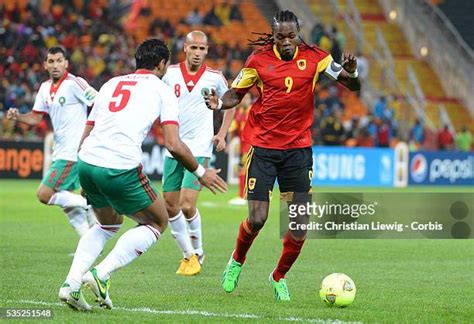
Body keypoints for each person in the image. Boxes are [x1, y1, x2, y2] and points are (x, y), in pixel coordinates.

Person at [58, 39, 227, 311]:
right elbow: (173, 143)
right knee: (157, 222)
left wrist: (84, 173)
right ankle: (101, 275)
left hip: (87, 160)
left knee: (107, 224)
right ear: (161, 64)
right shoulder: (163, 90)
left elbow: (88, 128)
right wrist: (200, 171)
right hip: (120, 166)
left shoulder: (111, 83)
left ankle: (71, 284)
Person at [203, 10, 360, 301]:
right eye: (280, 37)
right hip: (263, 148)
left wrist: (353, 72)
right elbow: (235, 94)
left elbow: (352, 85)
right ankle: (236, 261)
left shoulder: (317, 58)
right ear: (273, 36)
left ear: (298, 33)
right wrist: (218, 103)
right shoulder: (258, 61)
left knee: (299, 227)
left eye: (291, 36)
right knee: (258, 218)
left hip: (298, 151)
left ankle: (278, 276)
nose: (286, 42)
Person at [162, 30, 235, 275]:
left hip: (200, 147)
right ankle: (187, 255)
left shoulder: (215, 77)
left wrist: (222, 133)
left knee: (186, 204)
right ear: (185, 48)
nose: (197, 53)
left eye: (202, 49)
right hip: (173, 147)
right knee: (170, 206)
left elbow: (231, 103)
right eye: (193, 48)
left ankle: (198, 251)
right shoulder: (169, 73)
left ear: (207, 50)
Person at [6, 46, 97, 237]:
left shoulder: (75, 83)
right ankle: (88, 242)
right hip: (60, 151)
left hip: (73, 152)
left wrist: (92, 134)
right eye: (51, 61)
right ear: (45, 65)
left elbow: (99, 102)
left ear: (66, 63)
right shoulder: (45, 88)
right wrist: (18, 116)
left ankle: (88, 203)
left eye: (59, 60)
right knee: (66, 204)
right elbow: (35, 118)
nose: (55, 65)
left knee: (45, 194)